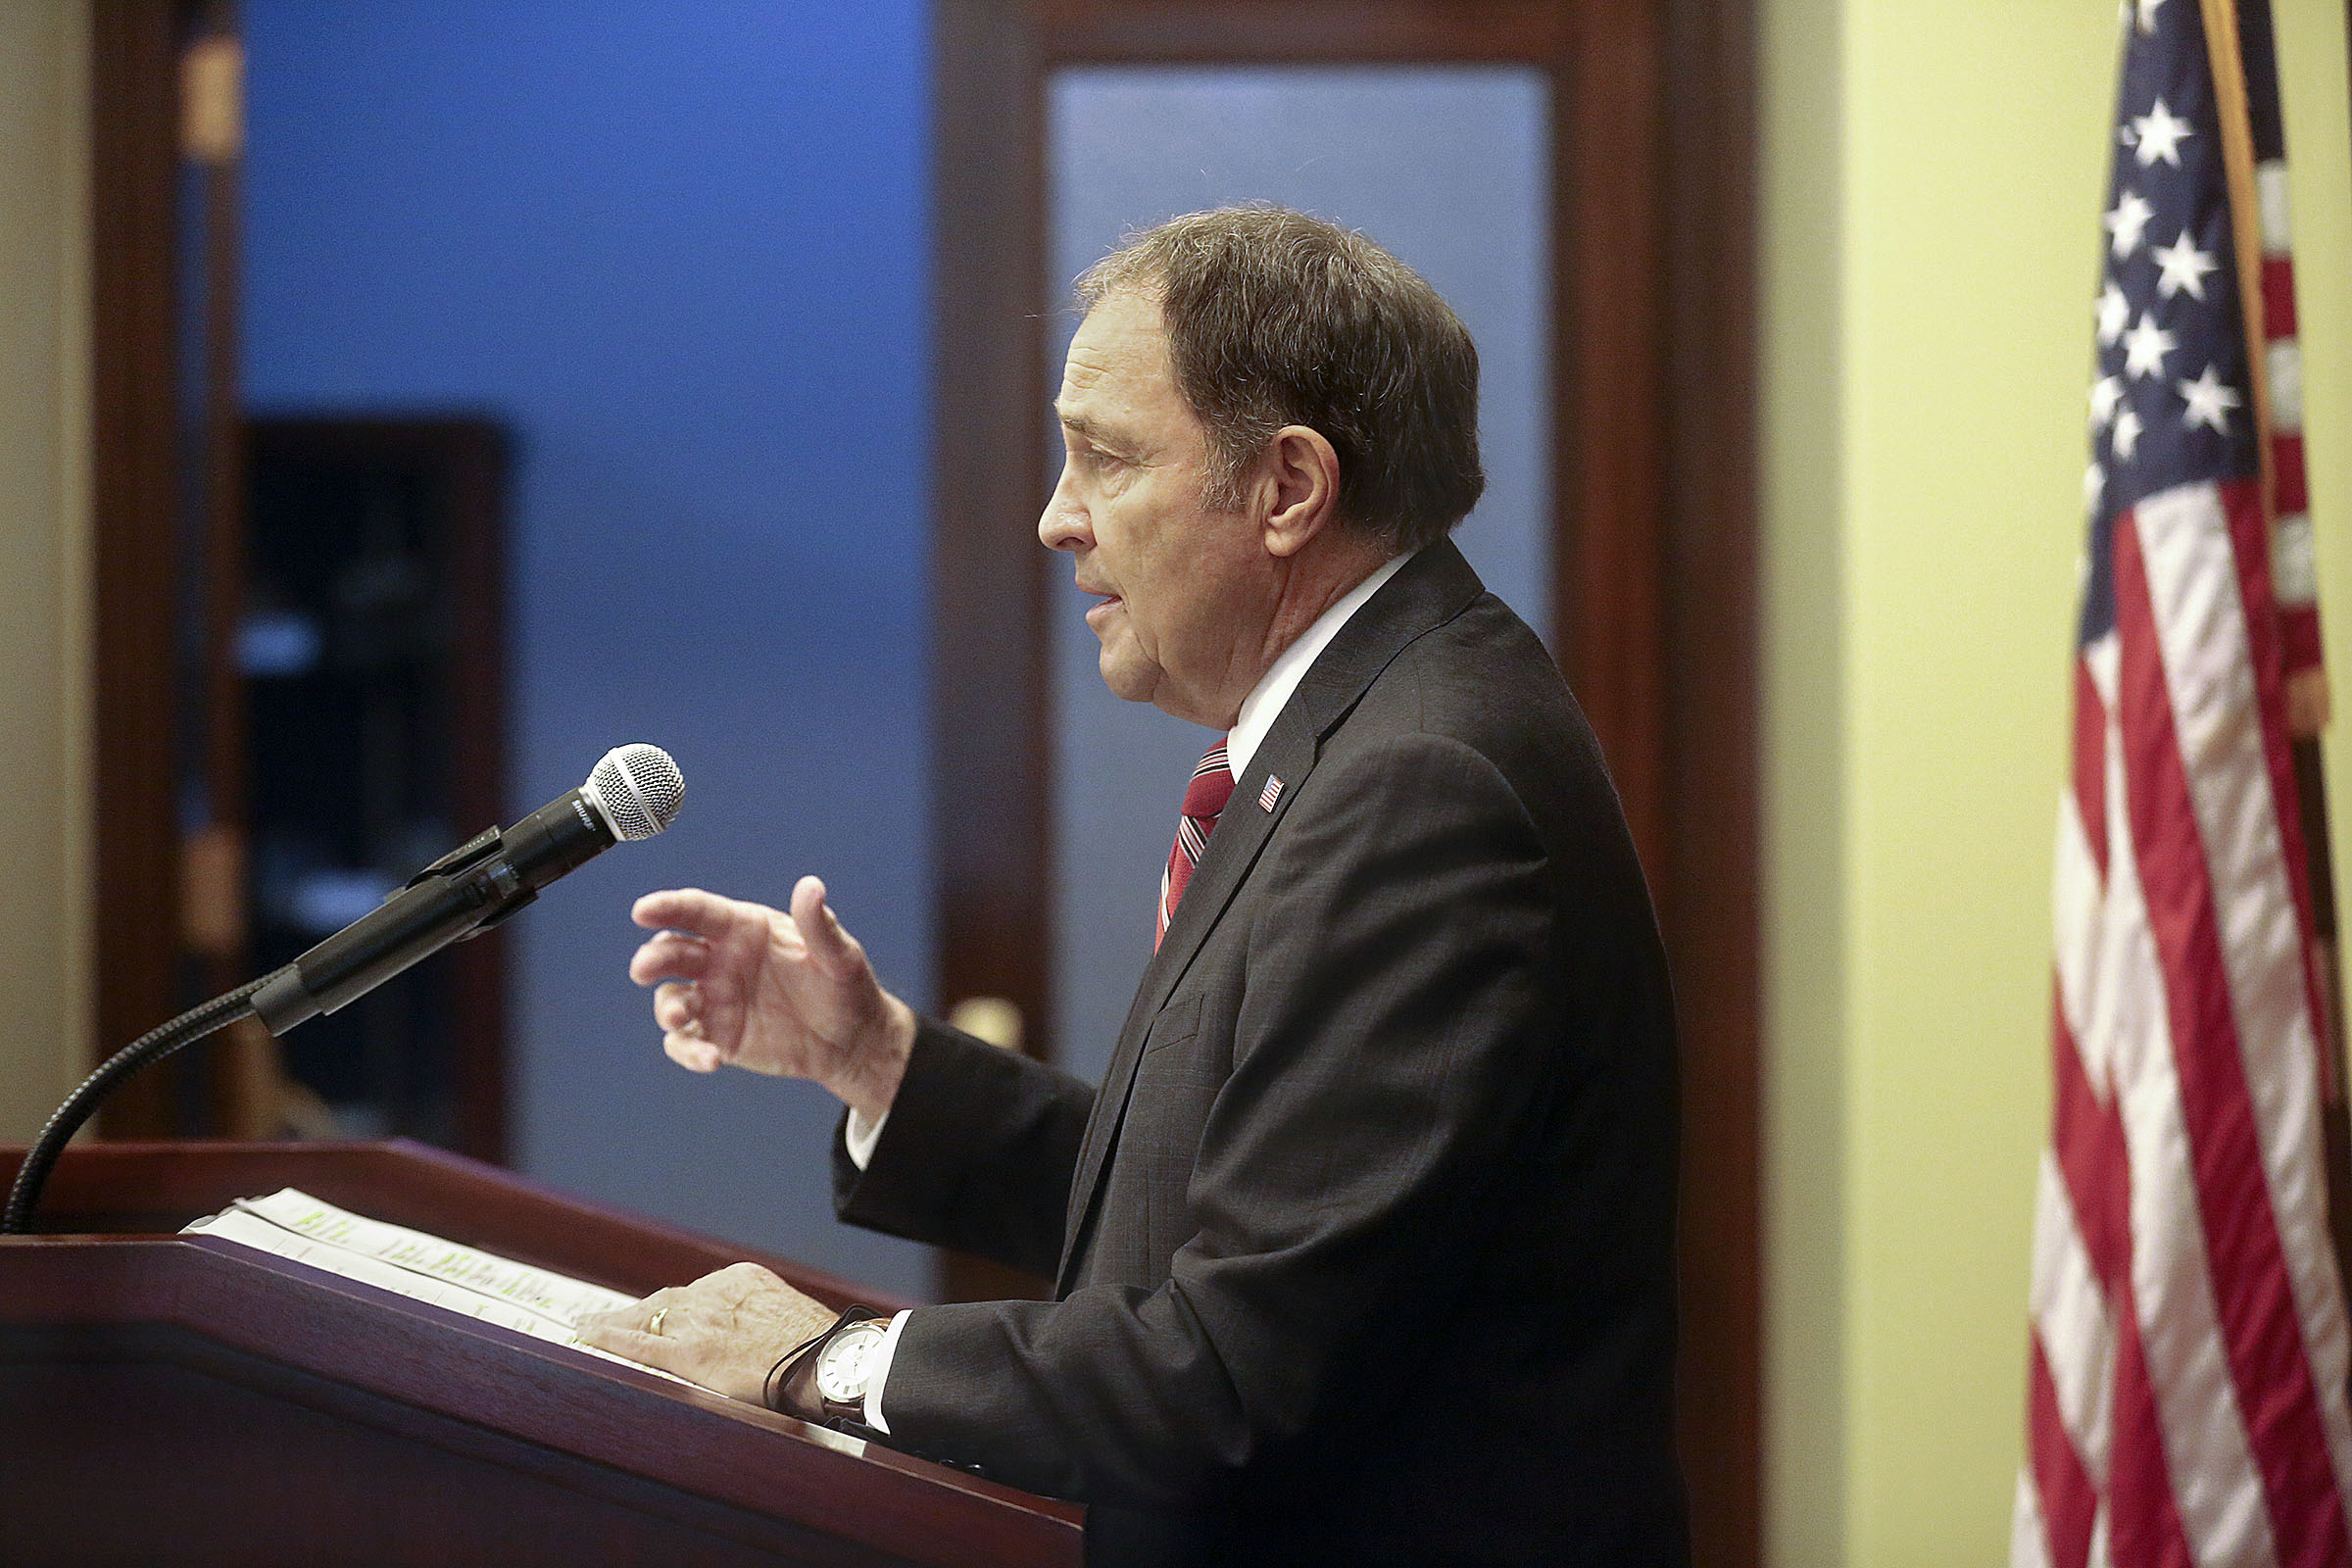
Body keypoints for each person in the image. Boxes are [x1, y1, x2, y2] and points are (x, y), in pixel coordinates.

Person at [577, 206, 1688, 1566]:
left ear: (1287, 488)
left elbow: (1231, 1372)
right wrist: (879, 1064)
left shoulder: (1422, 784)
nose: (1057, 518)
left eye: (1104, 457)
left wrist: (827, 1363)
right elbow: (1235, 1215)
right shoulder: (1383, 723)